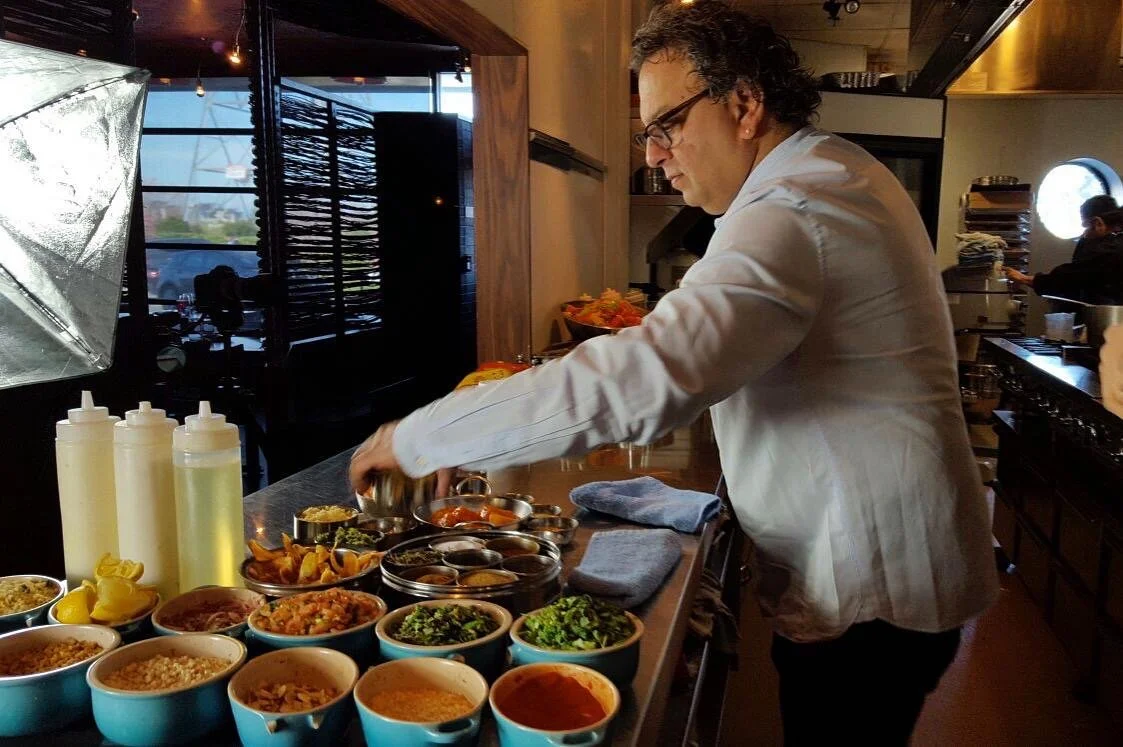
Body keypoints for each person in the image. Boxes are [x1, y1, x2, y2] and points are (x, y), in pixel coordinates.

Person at [350, 2, 998, 742]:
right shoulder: (827, 173)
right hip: (877, 570)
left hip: (871, 584)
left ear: (744, 104)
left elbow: (645, 378)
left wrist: (421, 436)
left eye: (666, 125)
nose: (654, 154)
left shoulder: (795, 206)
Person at [1005, 198, 1123, 303]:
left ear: (1098, 223)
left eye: (1085, 226)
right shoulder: (1115, 245)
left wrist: (1023, 278)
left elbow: (1070, 277)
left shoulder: (1109, 251)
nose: (1084, 233)